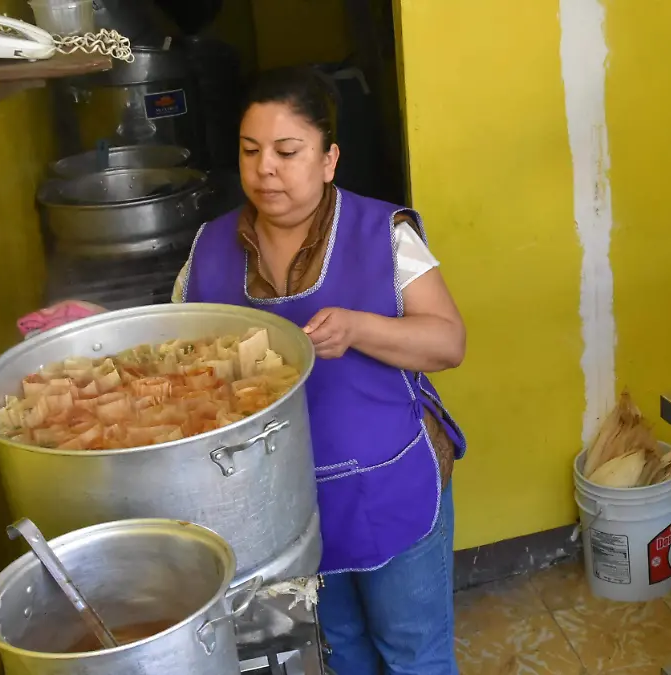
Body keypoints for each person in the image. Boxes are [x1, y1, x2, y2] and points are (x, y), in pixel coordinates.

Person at [177, 67, 467, 674]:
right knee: (339, 655)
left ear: (329, 159)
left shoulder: (384, 234)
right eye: (250, 151)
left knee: (415, 655)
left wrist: (361, 328)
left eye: (288, 152)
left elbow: (447, 342)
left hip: (388, 484)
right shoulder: (208, 249)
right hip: (278, 507)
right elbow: (181, 363)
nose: (265, 170)